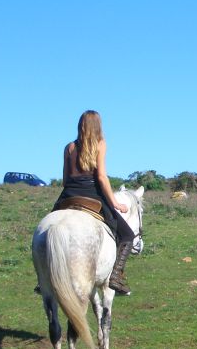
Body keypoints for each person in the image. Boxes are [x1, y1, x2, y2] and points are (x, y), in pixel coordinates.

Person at [49, 110, 135, 295]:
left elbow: (64, 180)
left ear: (80, 125)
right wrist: (115, 203)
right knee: (127, 235)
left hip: (68, 195)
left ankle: (44, 278)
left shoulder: (69, 147)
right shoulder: (100, 144)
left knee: (49, 228)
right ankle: (116, 276)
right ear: (98, 126)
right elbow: (102, 177)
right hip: (92, 194)